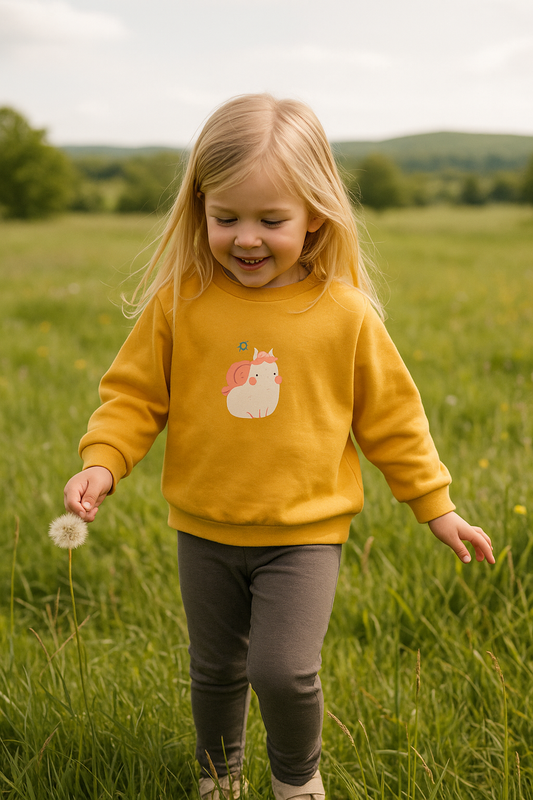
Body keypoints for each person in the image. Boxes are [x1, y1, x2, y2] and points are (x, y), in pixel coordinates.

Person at [63, 94, 494, 800]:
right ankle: (219, 779)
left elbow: (393, 421)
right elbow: (134, 397)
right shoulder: (181, 302)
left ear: (315, 215)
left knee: (282, 670)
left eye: (271, 220)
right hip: (203, 529)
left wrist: (435, 507)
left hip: (304, 535)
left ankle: (296, 780)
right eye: (225, 217)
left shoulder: (343, 313)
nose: (246, 238)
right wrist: (102, 462)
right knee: (214, 669)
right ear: (198, 207)